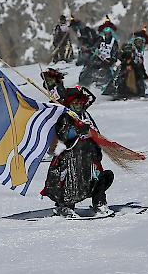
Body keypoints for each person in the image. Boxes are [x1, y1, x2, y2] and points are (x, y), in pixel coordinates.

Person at [41, 88, 113, 217]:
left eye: (80, 103)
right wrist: (78, 130)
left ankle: (99, 203)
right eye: (75, 103)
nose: (78, 105)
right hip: (70, 158)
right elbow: (63, 134)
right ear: (69, 104)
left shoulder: (85, 115)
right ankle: (65, 207)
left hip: (89, 157)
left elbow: (96, 132)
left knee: (98, 179)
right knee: (71, 182)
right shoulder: (65, 117)